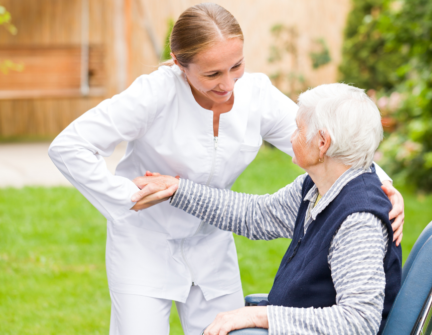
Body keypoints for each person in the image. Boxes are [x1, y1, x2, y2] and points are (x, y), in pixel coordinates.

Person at [48, 3, 404, 335]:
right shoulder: (154, 94)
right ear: (178, 63)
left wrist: (383, 187)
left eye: (236, 66)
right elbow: (69, 147)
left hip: (211, 242)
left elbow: (338, 144)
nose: (228, 84)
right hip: (145, 242)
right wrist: (128, 197)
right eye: (213, 73)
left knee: (230, 330)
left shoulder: (256, 94)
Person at [131, 83, 402, 335]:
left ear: (322, 143)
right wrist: (179, 190)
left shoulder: (358, 221)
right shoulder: (318, 187)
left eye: (298, 129)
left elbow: (359, 322)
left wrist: (262, 316)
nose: (290, 135)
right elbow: (256, 215)